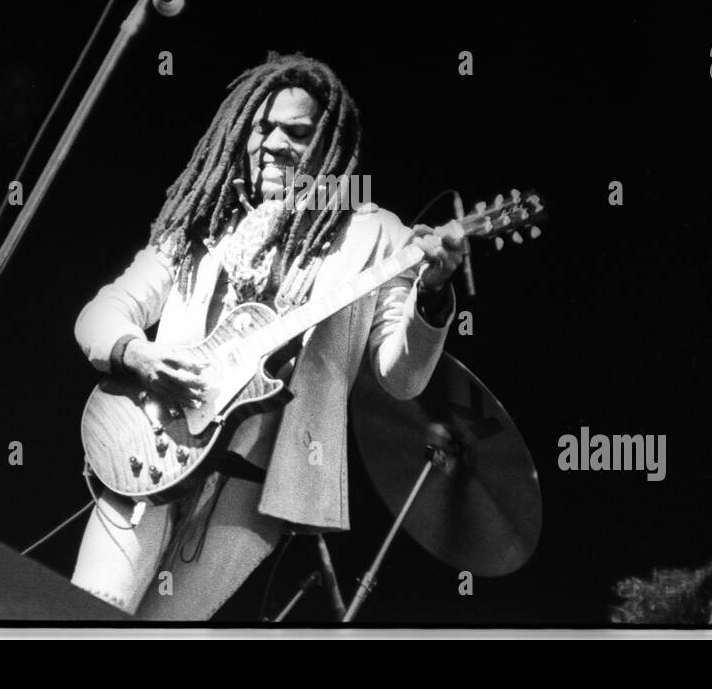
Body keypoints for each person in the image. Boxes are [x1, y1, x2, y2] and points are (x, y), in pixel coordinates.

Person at [71, 52, 465, 620]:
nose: (275, 143)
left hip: (252, 488)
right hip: (149, 448)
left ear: (331, 145)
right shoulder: (202, 221)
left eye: (297, 132)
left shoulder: (377, 237)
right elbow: (104, 312)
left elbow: (400, 376)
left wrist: (431, 292)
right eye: (263, 127)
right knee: (91, 614)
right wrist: (138, 355)